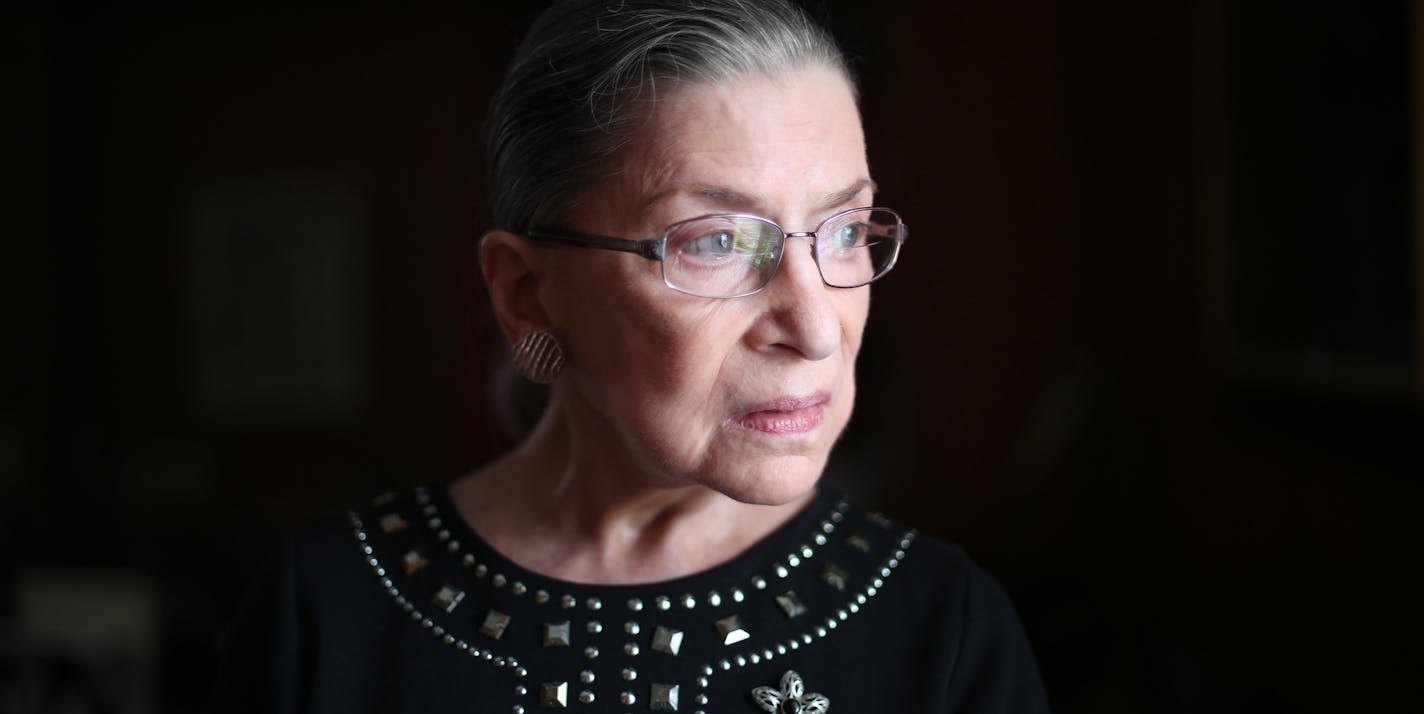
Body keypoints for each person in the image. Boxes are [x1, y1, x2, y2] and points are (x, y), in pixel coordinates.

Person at [212, 0, 1050, 711]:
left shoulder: (945, 630)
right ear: (529, 292)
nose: (817, 328)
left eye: (844, 231)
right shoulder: (327, 614)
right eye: (717, 240)